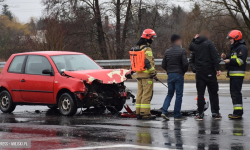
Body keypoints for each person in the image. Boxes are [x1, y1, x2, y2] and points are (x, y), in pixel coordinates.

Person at [188, 30, 222, 120]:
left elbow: (190, 47)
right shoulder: (209, 44)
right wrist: (218, 68)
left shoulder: (195, 45)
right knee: (214, 93)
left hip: (200, 73)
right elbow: (215, 57)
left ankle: (200, 114)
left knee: (200, 94)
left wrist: (193, 39)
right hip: (210, 72)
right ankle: (216, 113)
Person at [221, 30, 248, 119]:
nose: (230, 40)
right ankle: (236, 112)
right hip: (233, 75)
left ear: (236, 38)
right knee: (234, 93)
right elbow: (233, 58)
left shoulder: (242, 48)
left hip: (237, 75)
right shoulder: (234, 48)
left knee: (236, 93)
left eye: (231, 39)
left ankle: (238, 113)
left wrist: (229, 61)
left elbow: (240, 61)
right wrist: (226, 57)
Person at [161, 34, 188, 121]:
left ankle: (164, 111)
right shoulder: (182, 51)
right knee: (179, 95)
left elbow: (163, 65)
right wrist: (183, 71)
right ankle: (177, 115)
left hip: (170, 75)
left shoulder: (167, 51)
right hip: (178, 74)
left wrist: (169, 71)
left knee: (170, 94)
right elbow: (185, 64)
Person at [135, 29, 158, 120]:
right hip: (147, 75)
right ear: (148, 37)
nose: (153, 39)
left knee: (140, 93)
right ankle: (145, 113)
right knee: (147, 94)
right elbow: (149, 63)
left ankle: (138, 112)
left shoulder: (139, 48)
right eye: (152, 37)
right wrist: (153, 73)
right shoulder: (147, 49)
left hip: (139, 74)